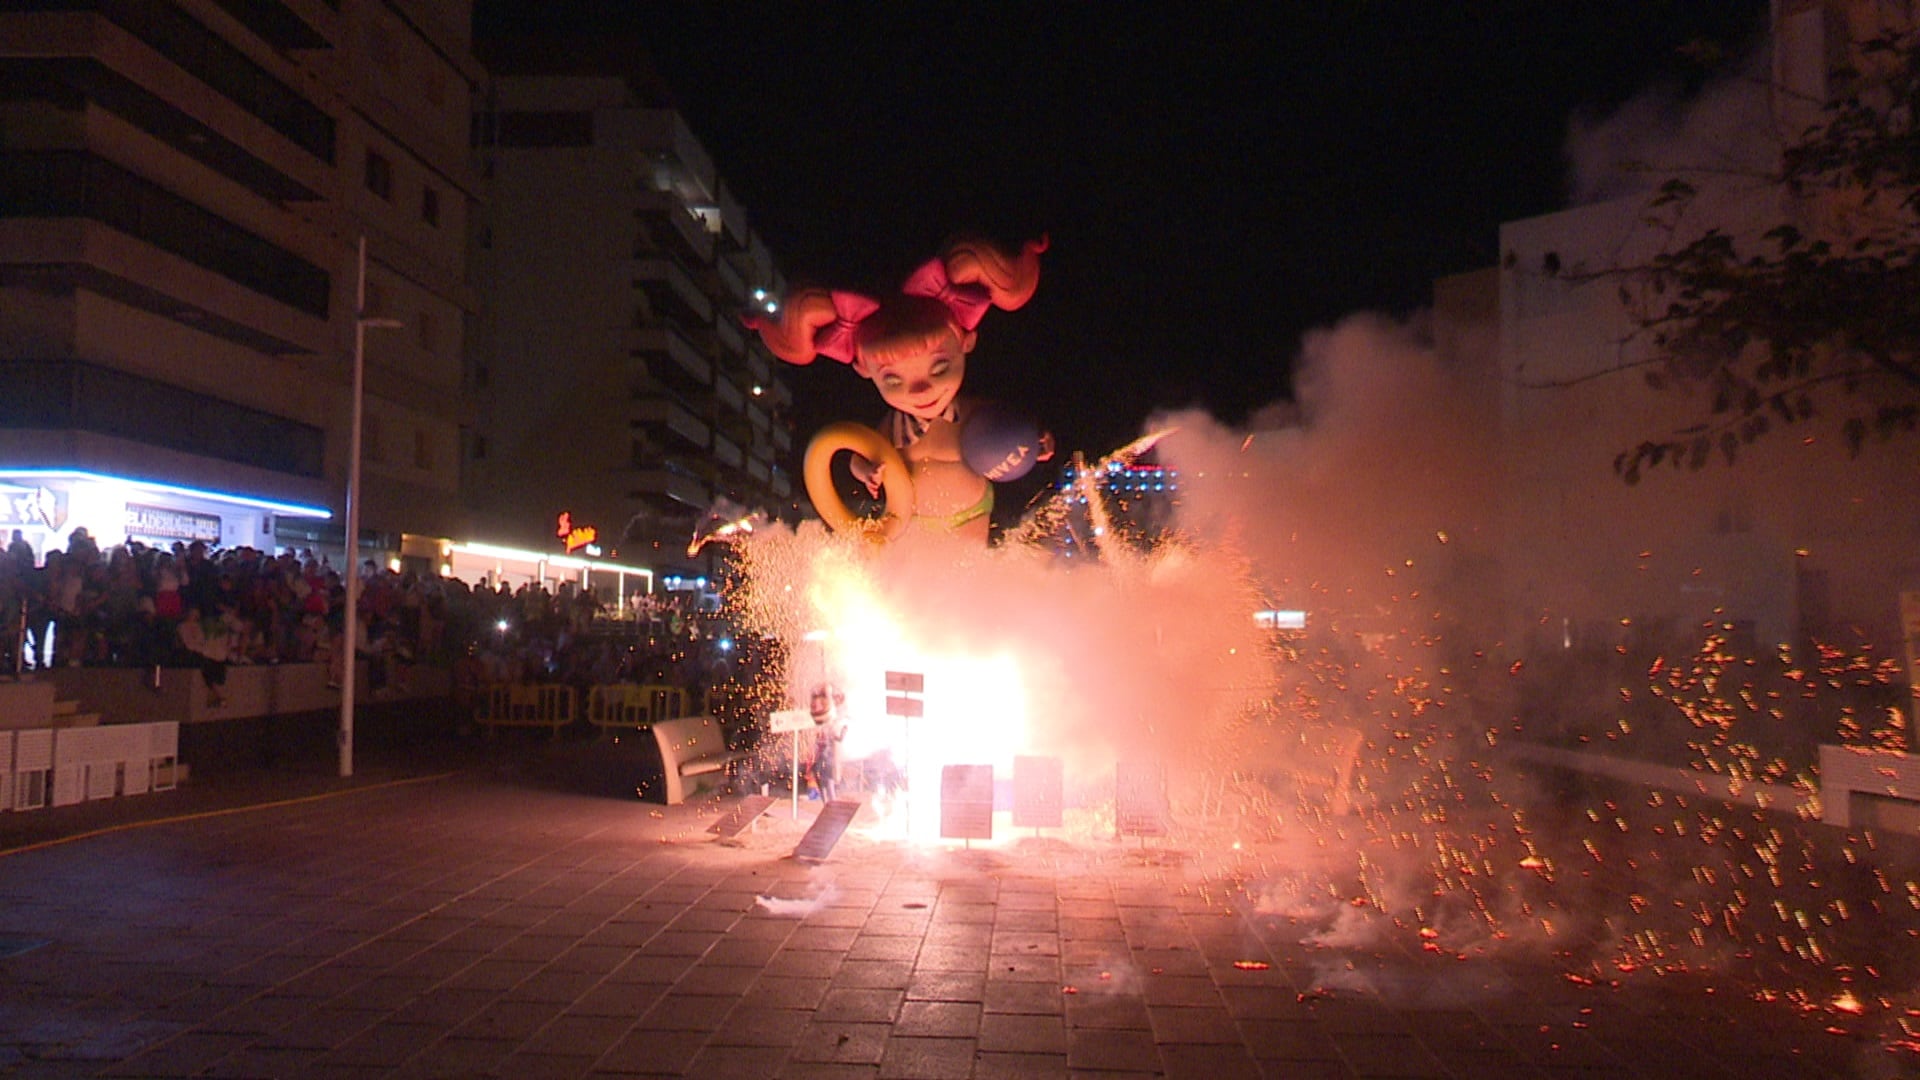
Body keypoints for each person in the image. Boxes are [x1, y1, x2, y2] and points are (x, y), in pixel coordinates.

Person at [746, 237, 1054, 543]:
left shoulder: (973, 412)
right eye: (894, 380)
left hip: (969, 514)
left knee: (966, 581)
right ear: (865, 371)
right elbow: (860, 452)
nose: (921, 390)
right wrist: (865, 470)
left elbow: (1013, 432)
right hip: (911, 522)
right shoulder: (893, 428)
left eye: (939, 368)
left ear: (966, 342)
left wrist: (1037, 438)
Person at [807, 683, 847, 802]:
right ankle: (826, 804)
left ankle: (831, 805)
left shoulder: (830, 728)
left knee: (828, 784)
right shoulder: (823, 728)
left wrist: (843, 732)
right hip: (822, 761)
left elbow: (837, 738)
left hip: (827, 762)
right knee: (823, 784)